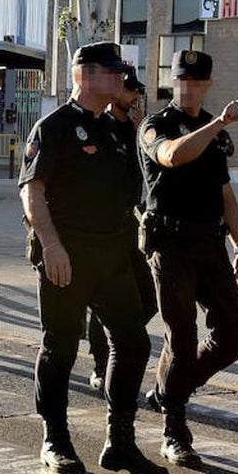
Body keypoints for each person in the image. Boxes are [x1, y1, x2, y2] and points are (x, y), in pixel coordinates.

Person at [20, 42, 166, 474]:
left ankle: (119, 442)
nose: (122, 78)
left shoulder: (114, 130)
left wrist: (135, 123)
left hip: (112, 253)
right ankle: (55, 439)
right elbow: (32, 191)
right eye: (113, 71)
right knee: (60, 346)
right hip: (66, 252)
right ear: (84, 74)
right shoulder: (55, 127)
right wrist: (51, 246)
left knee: (134, 342)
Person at [138, 50, 238, 470]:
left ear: (206, 85)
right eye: (180, 80)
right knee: (181, 340)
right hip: (170, 244)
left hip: (210, 245)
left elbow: (226, 195)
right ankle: (174, 430)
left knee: (234, 336)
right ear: (173, 81)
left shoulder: (218, 137)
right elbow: (172, 156)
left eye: (195, 82)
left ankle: (169, 390)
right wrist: (219, 121)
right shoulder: (155, 125)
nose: (186, 88)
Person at [87, 69, 157, 393]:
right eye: (130, 93)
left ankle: (120, 336)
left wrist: (142, 130)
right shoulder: (100, 128)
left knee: (150, 296)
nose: (135, 98)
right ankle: (102, 365)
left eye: (136, 93)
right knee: (104, 298)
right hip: (104, 228)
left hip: (132, 224)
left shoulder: (138, 129)